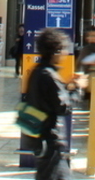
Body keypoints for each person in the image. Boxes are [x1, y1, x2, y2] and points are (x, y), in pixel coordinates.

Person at [26, 28, 87, 180]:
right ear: (56, 51)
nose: (65, 54)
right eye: (64, 50)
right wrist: (78, 89)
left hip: (41, 138)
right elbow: (63, 107)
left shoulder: (37, 72)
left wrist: (68, 87)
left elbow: (49, 99)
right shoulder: (49, 75)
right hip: (51, 140)